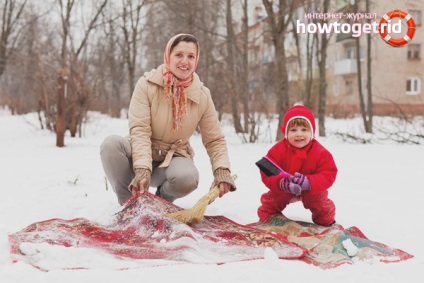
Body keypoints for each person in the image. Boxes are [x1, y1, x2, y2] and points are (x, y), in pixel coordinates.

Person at [100, 33, 236, 205]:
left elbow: (214, 139)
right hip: (140, 153)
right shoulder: (146, 85)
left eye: (190, 56)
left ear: (197, 60)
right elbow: (140, 130)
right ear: (168, 56)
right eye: (179, 55)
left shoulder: (202, 95)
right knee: (110, 145)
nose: (185, 62)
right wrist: (142, 168)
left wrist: (222, 170)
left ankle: (161, 203)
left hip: (171, 160)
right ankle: (128, 204)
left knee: (188, 177)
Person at [257, 105, 337, 226]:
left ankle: (325, 222)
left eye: (304, 130)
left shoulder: (320, 152)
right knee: (272, 200)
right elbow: (266, 172)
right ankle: (268, 218)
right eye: (293, 130)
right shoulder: (278, 150)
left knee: (321, 204)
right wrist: (281, 183)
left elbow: (328, 173)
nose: (299, 134)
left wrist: (309, 182)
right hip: (285, 188)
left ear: (312, 132)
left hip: (311, 190)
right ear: (286, 133)